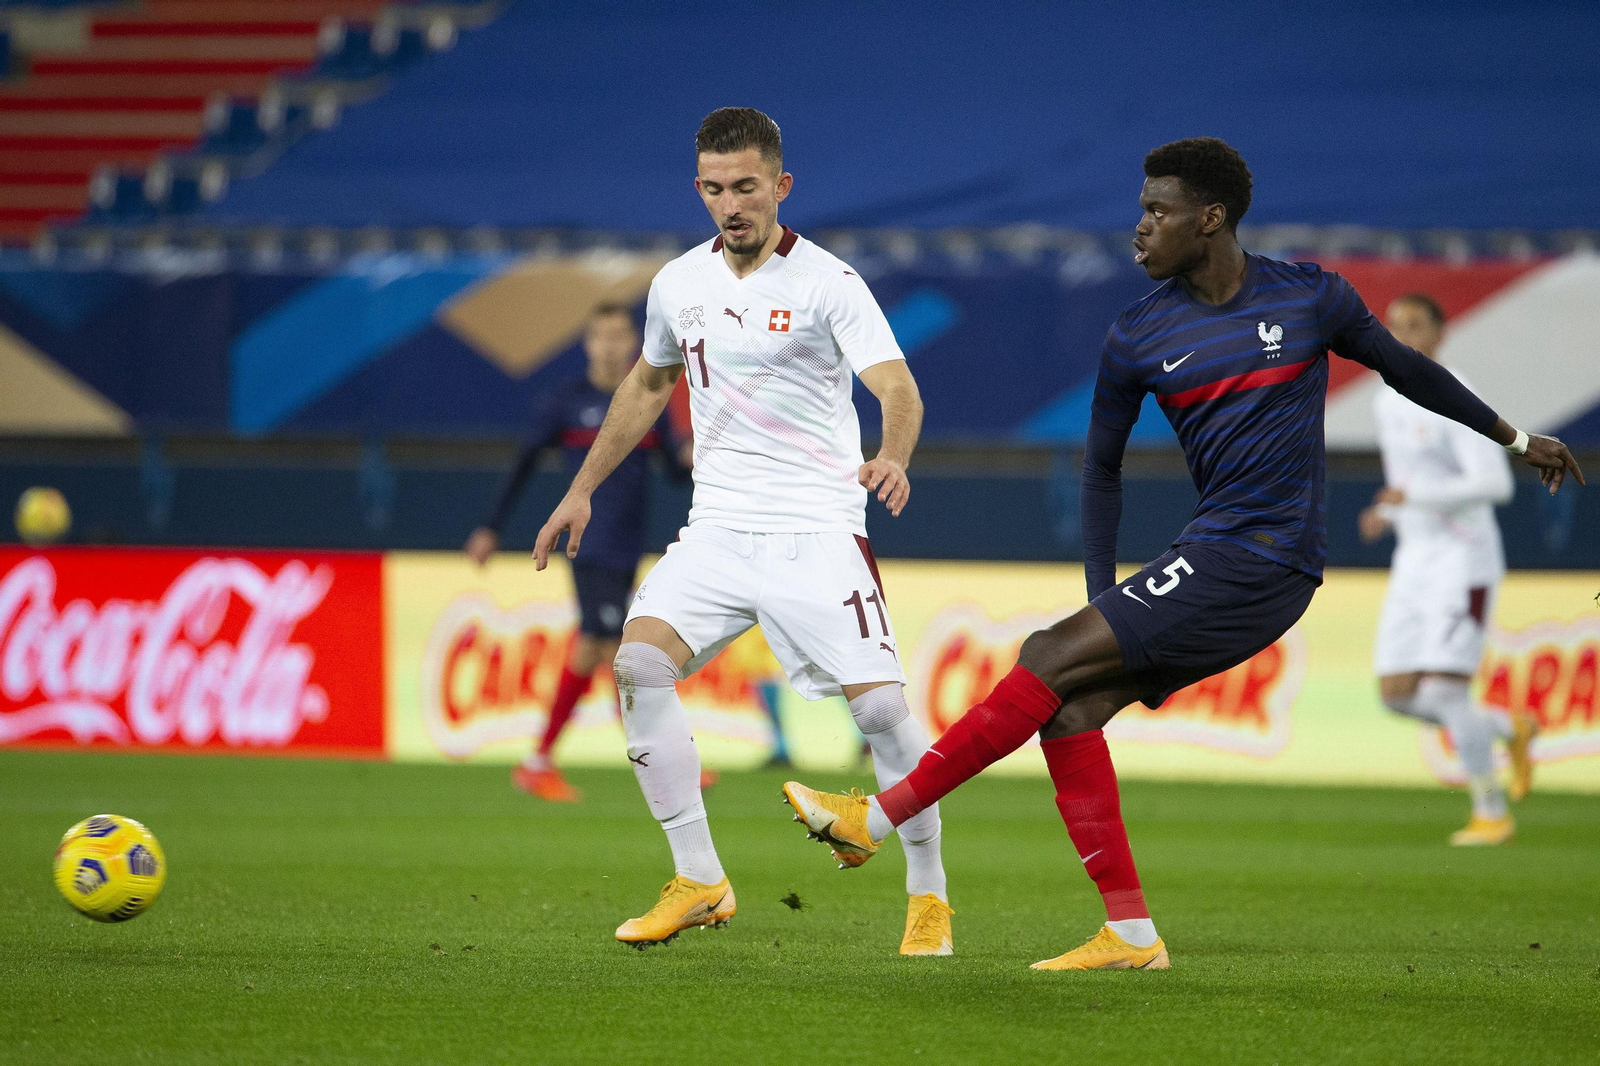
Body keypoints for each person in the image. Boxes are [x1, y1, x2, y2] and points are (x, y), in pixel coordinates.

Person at [782, 137, 1584, 971]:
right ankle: (1131, 935)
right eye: (1141, 211)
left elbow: (1408, 369)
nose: (1139, 229)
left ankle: (872, 821)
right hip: (1218, 549)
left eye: (1157, 212)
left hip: (1269, 556)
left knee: (1044, 655)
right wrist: (1101, 600)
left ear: (1210, 219)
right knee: (1069, 704)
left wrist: (1517, 438)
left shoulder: (1311, 298)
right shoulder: (1137, 334)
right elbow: (1100, 469)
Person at [534, 107, 954, 956]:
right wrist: (581, 488)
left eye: (748, 188)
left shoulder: (829, 282)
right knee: (638, 663)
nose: (733, 204)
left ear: (780, 186)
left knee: (882, 714)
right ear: (699, 189)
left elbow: (899, 389)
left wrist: (894, 455)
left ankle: (929, 893)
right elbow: (648, 387)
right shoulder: (678, 284)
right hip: (718, 528)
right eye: (716, 189)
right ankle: (700, 879)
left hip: (818, 528)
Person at [466, 303, 689, 803]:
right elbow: (522, 464)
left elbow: (674, 474)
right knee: (610, 647)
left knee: (603, 648)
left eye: (618, 336)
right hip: (586, 544)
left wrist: (688, 456)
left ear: (633, 342)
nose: (610, 346)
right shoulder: (567, 403)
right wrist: (490, 527)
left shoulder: (649, 399)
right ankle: (652, 760)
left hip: (630, 544)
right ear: (588, 343)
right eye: (600, 337)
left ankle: (551, 760)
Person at [1360, 293, 1536, 845]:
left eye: (1414, 326)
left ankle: (1491, 811)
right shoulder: (1387, 399)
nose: (1400, 337)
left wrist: (1410, 494)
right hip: (1415, 561)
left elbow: (1496, 483)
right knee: (1395, 695)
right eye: (1392, 327)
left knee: (1444, 694)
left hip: (1464, 562)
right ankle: (1512, 729)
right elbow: (1407, 477)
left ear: (1441, 335)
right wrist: (1388, 511)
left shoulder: (1455, 396)